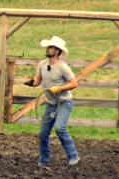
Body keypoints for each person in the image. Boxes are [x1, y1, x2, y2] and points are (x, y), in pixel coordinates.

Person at [24, 36, 80, 166]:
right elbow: (38, 80)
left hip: (64, 102)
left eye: (51, 47)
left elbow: (73, 83)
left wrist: (58, 88)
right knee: (43, 133)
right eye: (48, 47)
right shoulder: (43, 65)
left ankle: (73, 155)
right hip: (51, 103)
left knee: (60, 127)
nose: (48, 49)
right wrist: (32, 83)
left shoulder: (63, 67)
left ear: (57, 51)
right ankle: (43, 160)